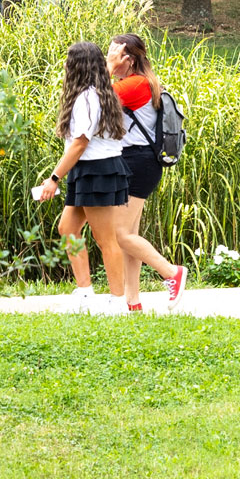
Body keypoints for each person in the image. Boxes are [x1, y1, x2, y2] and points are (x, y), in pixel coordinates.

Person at [37, 41, 186, 313]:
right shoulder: (122, 85)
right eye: (107, 54)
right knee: (104, 233)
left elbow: (98, 97)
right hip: (120, 160)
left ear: (128, 58)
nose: (111, 58)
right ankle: (131, 300)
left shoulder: (134, 85)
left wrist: (101, 65)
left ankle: (169, 273)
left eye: (115, 53)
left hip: (133, 162)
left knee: (117, 236)